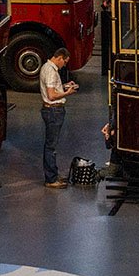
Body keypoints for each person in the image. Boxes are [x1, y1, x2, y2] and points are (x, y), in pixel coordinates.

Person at [39, 47, 77, 188]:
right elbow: (51, 95)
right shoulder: (51, 71)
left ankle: (53, 175)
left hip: (51, 111)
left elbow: (54, 89)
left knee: (51, 145)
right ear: (60, 57)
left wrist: (64, 86)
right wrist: (67, 93)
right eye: (65, 62)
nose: (64, 65)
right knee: (51, 147)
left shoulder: (47, 68)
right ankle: (51, 179)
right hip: (54, 111)